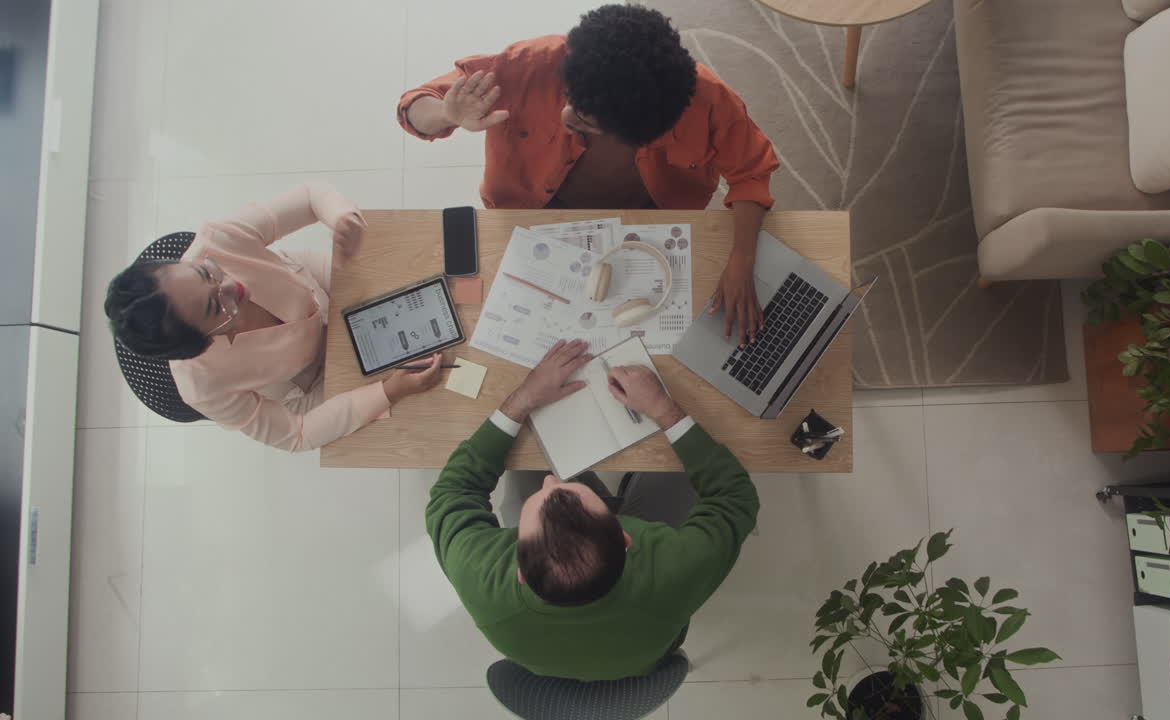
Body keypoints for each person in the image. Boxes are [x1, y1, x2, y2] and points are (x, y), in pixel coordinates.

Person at [397, 4, 781, 344]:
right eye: (572, 102)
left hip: (654, 221)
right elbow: (413, 107)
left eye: (584, 122)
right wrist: (447, 114)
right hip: (532, 215)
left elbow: (751, 171)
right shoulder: (526, 64)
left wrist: (742, 261)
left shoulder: (706, 98)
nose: (566, 118)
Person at [424, 339, 760, 680]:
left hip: (563, 654)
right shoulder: (676, 570)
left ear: (520, 571)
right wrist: (663, 408)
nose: (551, 480)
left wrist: (524, 397)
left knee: (526, 463)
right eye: (565, 488)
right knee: (676, 475)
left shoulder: (479, 577)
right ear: (627, 537)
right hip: (648, 634)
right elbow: (735, 497)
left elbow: (453, 491)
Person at [104, 182, 443, 451]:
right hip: (305, 376)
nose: (234, 286)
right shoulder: (203, 387)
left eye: (205, 272)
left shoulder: (217, 241)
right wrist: (388, 392)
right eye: (215, 307)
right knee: (418, 406)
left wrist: (341, 218)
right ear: (200, 344)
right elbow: (297, 435)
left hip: (316, 284)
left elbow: (312, 196)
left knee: (420, 288)